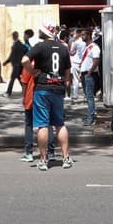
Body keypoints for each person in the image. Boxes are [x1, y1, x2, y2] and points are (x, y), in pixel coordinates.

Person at [26, 24, 73, 169]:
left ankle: (43, 159)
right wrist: (65, 83)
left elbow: (24, 60)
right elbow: (67, 71)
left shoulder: (40, 46)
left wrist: (32, 72)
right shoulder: (63, 48)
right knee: (59, 124)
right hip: (58, 88)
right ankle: (66, 158)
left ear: (44, 33)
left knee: (42, 124)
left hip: (42, 87)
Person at [77, 28, 100, 126]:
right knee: (87, 96)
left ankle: (91, 118)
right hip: (85, 73)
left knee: (90, 97)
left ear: (88, 35)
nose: (81, 37)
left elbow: (96, 61)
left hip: (89, 74)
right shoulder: (87, 47)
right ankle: (90, 115)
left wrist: (89, 72)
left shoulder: (94, 47)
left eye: (83, 35)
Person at [5, 31, 27, 96]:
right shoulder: (16, 44)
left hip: (17, 64)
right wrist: (7, 61)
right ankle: (25, 90)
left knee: (12, 79)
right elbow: (12, 55)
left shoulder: (19, 44)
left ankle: (8, 92)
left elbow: (12, 55)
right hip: (17, 64)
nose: (13, 37)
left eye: (14, 35)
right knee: (19, 78)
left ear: (16, 36)